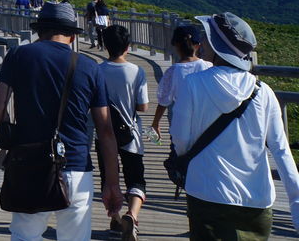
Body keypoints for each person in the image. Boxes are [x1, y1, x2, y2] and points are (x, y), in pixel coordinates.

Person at [0, 1, 124, 241]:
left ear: (39, 31)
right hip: (76, 167)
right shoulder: (89, 67)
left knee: (25, 236)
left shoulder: (19, 55)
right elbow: (105, 130)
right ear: (73, 36)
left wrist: (14, 139)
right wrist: (112, 184)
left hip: (29, 164)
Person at [171, 12, 299, 240]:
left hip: (206, 193)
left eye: (208, 36)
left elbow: (180, 140)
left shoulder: (192, 85)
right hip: (256, 200)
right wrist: (296, 203)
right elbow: (281, 150)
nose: (203, 41)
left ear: (217, 45)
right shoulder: (264, 92)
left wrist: (187, 160)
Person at [98, 24, 148, 241]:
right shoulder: (137, 71)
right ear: (128, 46)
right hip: (131, 135)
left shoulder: (97, 71)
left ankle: (116, 219)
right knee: (136, 178)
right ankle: (132, 215)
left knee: (108, 178)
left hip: (103, 133)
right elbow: (143, 106)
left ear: (104, 45)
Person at [150, 24, 211, 142]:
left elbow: (164, 101)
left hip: (181, 125)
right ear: (198, 45)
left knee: (178, 152)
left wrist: (155, 123)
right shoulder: (208, 67)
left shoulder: (172, 71)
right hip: (205, 124)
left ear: (176, 46)